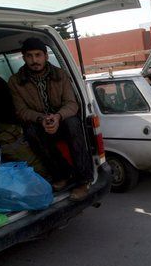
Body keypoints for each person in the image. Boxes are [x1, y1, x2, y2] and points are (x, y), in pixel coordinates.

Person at [8, 37, 93, 201]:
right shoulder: (15, 81)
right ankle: (61, 174)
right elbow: (21, 111)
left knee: (73, 123)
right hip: (40, 123)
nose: (34, 60)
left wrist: (58, 116)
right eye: (29, 56)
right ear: (24, 58)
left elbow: (71, 103)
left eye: (38, 55)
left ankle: (83, 180)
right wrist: (41, 119)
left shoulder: (60, 75)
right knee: (30, 131)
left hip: (62, 120)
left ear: (46, 56)